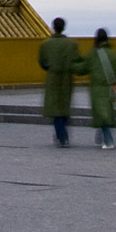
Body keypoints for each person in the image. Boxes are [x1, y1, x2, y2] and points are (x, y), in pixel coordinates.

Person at [37, 16, 81, 147]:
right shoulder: (72, 44)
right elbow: (76, 61)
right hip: (67, 79)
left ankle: (61, 136)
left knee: (55, 109)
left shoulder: (46, 44)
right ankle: (63, 134)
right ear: (64, 27)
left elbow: (42, 61)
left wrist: (49, 67)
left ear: (53, 27)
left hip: (53, 78)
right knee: (64, 106)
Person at [86, 28, 116, 150]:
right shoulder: (113, 54)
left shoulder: (93, 54)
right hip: (109, 89)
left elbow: (83, 67)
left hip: (97, 89)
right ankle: (101, 139)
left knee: (102, 115)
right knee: (105, 114)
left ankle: (108, 141)